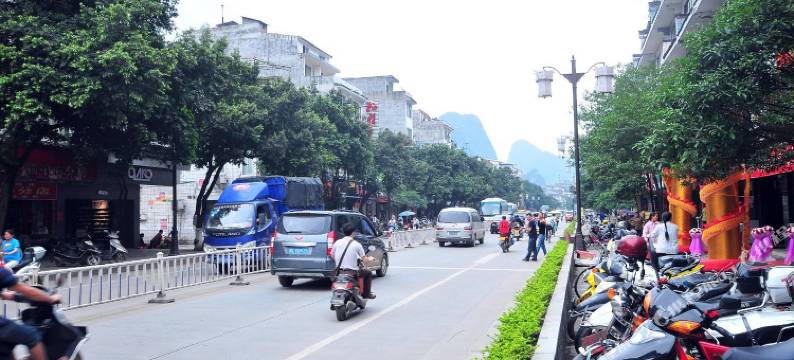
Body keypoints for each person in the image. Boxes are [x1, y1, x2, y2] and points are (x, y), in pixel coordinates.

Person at [0, 266, 62, 360]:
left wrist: (5, 295)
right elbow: (30, 292)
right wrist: (50, 299)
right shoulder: (2, 271)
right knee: (31, 335)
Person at [331, 223, 376, 299]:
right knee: (368, 273)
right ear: (353, 233)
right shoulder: (356, 244)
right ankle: (367, 294)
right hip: (352, 273)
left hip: (339, 272)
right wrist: (370, 258)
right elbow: (365, 260)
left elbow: (332, 255)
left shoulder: (337, 243)